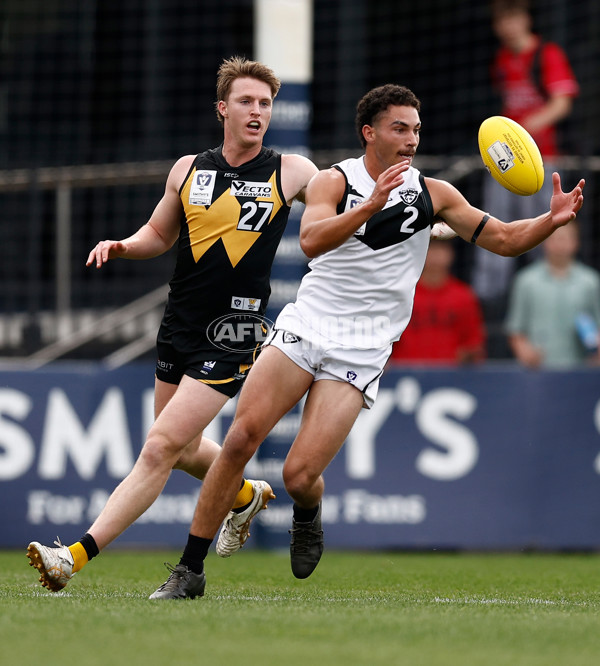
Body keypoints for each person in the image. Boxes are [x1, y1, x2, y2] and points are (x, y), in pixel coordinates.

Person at [146, 82, 584, 599]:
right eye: (400, 128)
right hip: (307, 324)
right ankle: (189, 570)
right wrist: (369, 204)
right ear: (369, 132)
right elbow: (311, 240)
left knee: (298, 474)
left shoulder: (433, 194)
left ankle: (307, 514)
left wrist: (548, 221)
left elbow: (506, 239)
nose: (411, 139)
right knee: (240, 439)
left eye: (416, 129)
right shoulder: (335, 181)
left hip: (361, 347)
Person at [26, 56, 318, 596]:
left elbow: (335, 207)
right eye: (248, 102)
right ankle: (242, 496)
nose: (258, 112)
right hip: (179, 322)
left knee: (159, 447)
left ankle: (73, 556)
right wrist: (123, 245)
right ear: (222, 108)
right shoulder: (188, 168)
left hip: (233, 329)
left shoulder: (292, 170)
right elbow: (159, 235)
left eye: (266, 104)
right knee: (182, 450)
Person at [471, 0, 579, 351]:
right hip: (504, 166)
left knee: (542, 234)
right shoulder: (502, 60)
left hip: (541, 162)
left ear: (526, 19)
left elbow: (563, 101)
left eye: (513, 18)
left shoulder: (546, 54)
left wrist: (527, 131)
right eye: (501, 20)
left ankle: (542, 319)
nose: (508, 26)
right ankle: (491, 319)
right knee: (494, 234)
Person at [505, 221, 600, 368]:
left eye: (565, 238)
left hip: (581, 370)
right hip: (538, 371)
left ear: (576, 242)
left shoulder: (591, 282)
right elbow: (516, 330)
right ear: (544, 241)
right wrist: (526, 353)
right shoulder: (526, 281)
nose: (560, 244)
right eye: (554, 238)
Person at [390, 238, 486, 365]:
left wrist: (465, 356)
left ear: (451, 254)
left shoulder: (464, 296)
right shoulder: (401, 293)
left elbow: (474, 343)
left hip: (450, 376)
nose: (436, 255)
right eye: (431, 248)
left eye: (441, 248)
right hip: (403, 374)